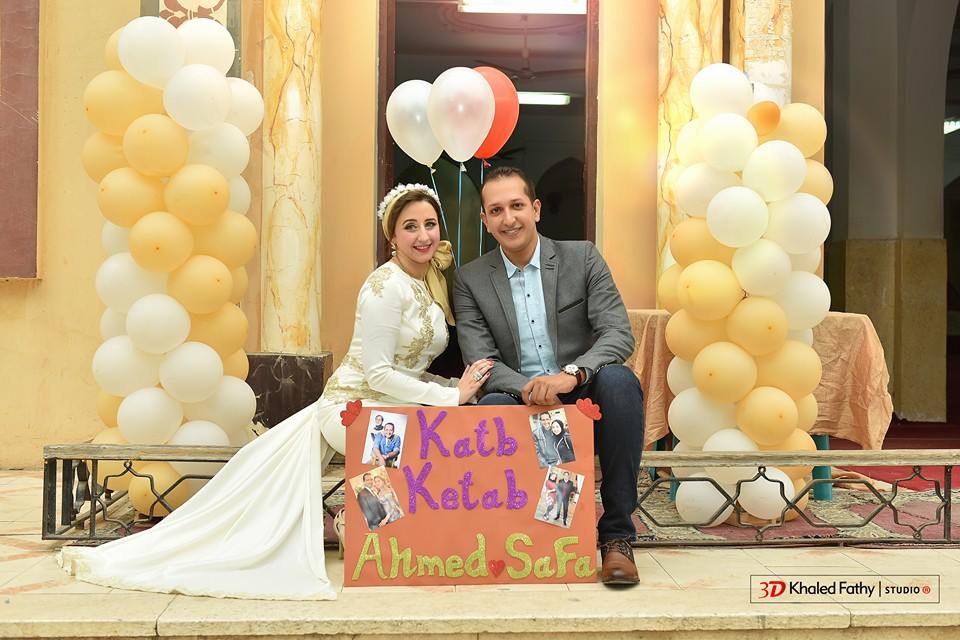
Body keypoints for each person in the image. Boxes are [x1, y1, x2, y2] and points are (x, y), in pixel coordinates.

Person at [59, 184, 493, 600]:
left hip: (393, 403)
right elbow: (378, 374)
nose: (423, 236)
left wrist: (452, 386)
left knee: (440, 439)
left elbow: (408, 365)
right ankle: (362, 528)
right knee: (410, 444)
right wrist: (449, 396)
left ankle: (375, 533)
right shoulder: (384, 287)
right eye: (410, 226)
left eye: (430, 224)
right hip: (354, 406)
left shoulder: (424, 282)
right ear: (392, 237)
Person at [453, 166, 645, 585]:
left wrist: (570, 376)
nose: (509, 219)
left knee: (620, 382)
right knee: (491, 405)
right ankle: (523, 539)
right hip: (518, 394)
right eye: (496, 210)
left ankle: (616, 536)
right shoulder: (470, 279)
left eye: (517, 205)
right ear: (485, 220)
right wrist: (531, 388)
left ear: (536, 209)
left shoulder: (582, 257)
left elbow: (618, 333)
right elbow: (481, 359)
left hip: (582, 388)